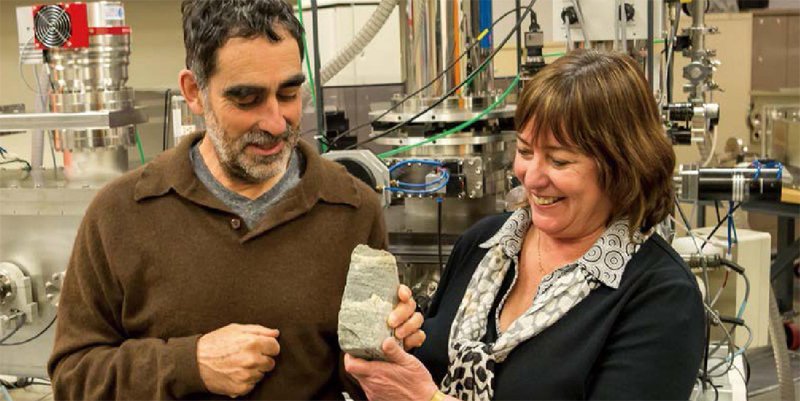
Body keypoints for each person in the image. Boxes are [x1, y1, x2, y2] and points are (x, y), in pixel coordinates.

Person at [47, 0, 424, 399]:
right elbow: (72, 378)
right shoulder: (120, 213)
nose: (275, 123)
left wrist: (390, 350)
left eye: (289, 93)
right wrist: (189, 365)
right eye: (246, 99)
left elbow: (363, 381)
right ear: (194, 92)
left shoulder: (351, 208)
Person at [344, 49, 706, 400]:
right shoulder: (484, 244)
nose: (531, 177)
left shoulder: (661, 295)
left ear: (622, 166)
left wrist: (425, 399)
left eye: (559, 161)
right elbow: (426, 369)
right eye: (525, 151)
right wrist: (397, 348)